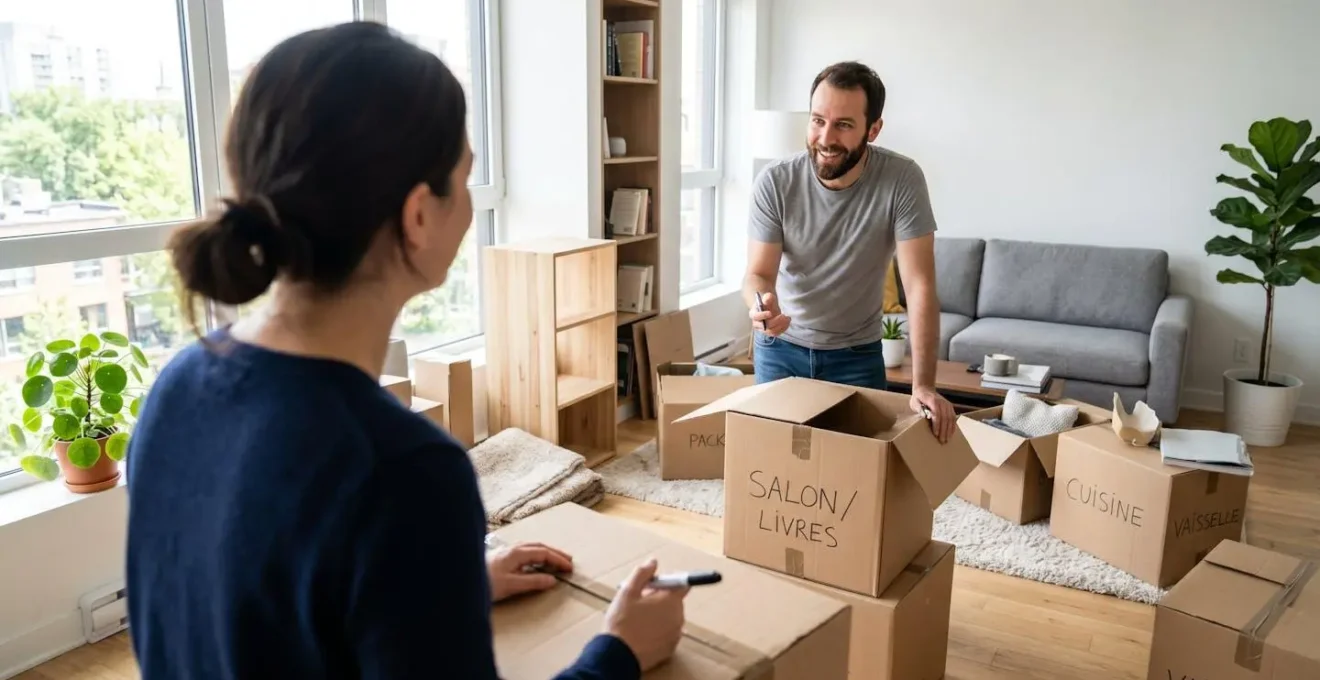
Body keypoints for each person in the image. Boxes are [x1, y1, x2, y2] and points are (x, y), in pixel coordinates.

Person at [124, 22, 687, 680]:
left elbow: (262, 613)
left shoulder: (177, 386)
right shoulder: (405, 474)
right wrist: (618, 651)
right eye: (467, 178)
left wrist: (439, 585)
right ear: (418, 216)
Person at [744, 60, 956, 443]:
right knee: (774, 471)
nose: (826, 138)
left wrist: (923, 385)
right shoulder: (775, 181)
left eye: (843, 124)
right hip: (781, 351)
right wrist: (761, 304)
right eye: (817, 120)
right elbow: (758, 273)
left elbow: (920, 285)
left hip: (856, 356)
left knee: (856, 482)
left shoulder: (902, 180)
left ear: (873, 129)